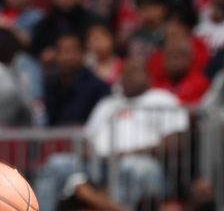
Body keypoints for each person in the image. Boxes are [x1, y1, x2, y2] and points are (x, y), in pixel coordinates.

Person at [35, 57, 187, 211]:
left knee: (133, 167)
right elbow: (87, 138)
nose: (129, 76)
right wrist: (90, 152)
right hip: (97, 164)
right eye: (125, 73)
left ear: (148, 76)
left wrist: (129, 153)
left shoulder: (162, 99)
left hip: (141, 161)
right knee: (56, 164)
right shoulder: (108, 103)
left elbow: (176, 140)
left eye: (135, 72)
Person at [43, 33, 110, 126]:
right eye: (62, 51)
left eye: (72, 51)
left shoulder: (98, 87)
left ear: (82, 54)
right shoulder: (50, 84)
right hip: (56, 139)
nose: (66, 57)